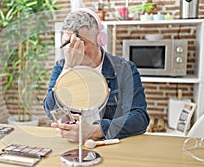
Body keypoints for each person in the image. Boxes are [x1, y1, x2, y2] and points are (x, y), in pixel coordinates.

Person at [43, 8, 150, 143]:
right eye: (68, 43)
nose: (73, 49)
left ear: (100, 40)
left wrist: (95, 130)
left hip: (110, 145)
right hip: (73, 147)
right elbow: (51, 110)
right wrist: (68, 69)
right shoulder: (61, 67)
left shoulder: (124, 69)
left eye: (81, 42)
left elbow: (139, 118)